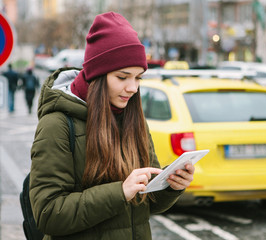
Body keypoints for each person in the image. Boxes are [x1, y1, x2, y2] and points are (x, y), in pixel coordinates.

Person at [29, 12, 195, 240]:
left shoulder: (133, 117)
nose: (132, 88)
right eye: (122, 77)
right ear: (97, 75)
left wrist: (171, 186)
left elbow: (146, 203)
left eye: (138, 78)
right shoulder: (57, 123)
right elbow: (48, 214)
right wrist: (120, 192)